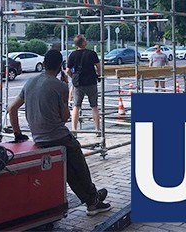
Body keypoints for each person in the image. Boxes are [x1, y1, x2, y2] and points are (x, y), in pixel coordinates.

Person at [8, 49, 111, 216]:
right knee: (79, 167)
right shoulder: (60, 86)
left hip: (39, 138)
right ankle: (93, 201)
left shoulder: (29, 82)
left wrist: (18, 134)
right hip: (58, 136)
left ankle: (91, 198)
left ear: (44, 64)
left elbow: (12, 109)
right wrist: (64, 92)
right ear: (59, 66)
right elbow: (64, 117)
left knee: (68, 170)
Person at [67, 34, 101, 136]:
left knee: (76, 106)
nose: (87, 41)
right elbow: (98, 67)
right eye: (85, 40)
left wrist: (73, 77)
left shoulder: (72, 55)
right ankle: (97, 130)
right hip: (91, 82)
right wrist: (98, 75)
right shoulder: (92, 54)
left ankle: (74, 130)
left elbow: (68, 70)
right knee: (94, 106)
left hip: (78, 83)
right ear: (83, 43)